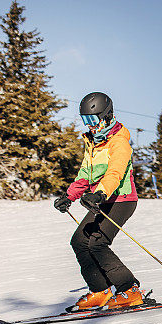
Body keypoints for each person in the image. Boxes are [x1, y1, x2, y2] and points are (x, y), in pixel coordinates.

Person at [53, 92, 144, 311]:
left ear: (106, 116)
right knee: (79, 242)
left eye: (93, 120)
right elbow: (85, 174)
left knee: (97, 243)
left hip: (121, 200)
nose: (90, 125)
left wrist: (100, 193)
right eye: (85, 120)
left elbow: (115, 173)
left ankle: (129, 290)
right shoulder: (93, 143)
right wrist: (69, 196)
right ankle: (100, 290)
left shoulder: (119, 142)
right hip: (101, 200)